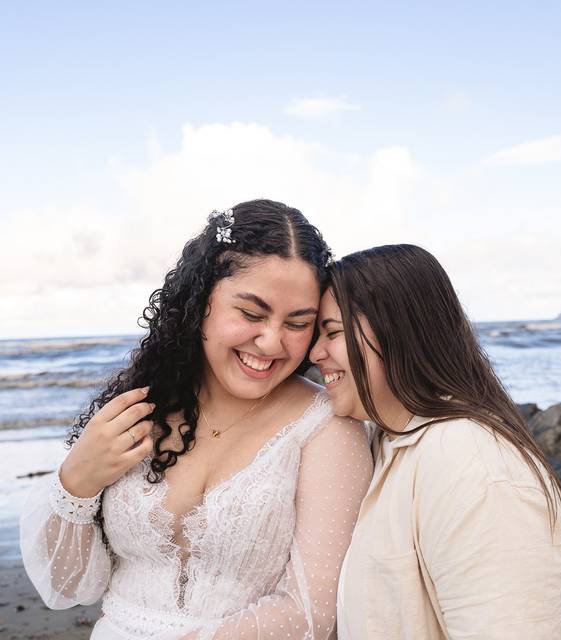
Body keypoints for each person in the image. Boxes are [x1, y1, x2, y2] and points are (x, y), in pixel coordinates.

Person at [20, 200, 373, 639]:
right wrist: (78, 481)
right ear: (200, 300)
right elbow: (68, 586)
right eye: (251, 313)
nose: (270, 342)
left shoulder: (327, 428)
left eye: (297, 323)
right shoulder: (142, 405)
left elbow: (312, 612)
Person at [308, 243, 561, 640]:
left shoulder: (472, 465)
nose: (315, 352)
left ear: (399, 332)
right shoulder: (390, 441)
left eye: (333, 332)